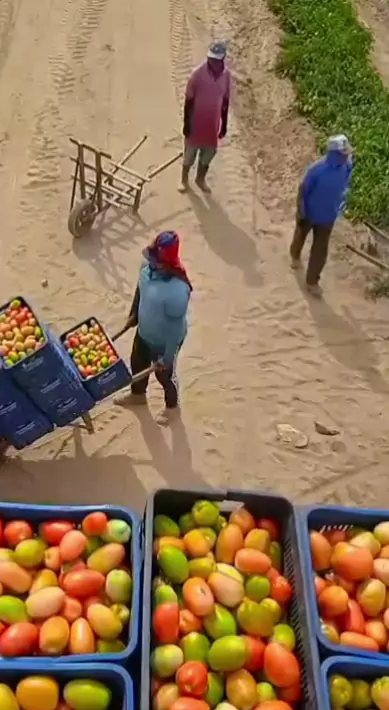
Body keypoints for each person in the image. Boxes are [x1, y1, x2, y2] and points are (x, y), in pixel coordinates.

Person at [114, 231, 192, 423]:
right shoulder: (146, 268)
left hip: (164, 341)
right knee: (137, 363)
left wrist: (168, 356)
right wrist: (133, 315)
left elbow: (175, 328)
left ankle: (172, 407)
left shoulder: (177, 290)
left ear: (167, 264)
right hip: (144, 332)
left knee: (165, 376)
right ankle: (138, 395)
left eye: (156, 260)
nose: (151, 262)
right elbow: (140, 290)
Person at [290, 133, 353, 296]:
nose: (345, 157)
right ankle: (295, 255)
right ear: (333, 153)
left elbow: (346, 183)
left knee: (320, 250)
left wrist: (343, 199)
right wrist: (301, 211)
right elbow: (303, 190)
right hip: (309, 213)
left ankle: (312, 282)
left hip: (328, 216)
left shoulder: (347, 165)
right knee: (300, 235)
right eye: (342, 154)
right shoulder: (316, 170)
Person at [179, 40, 232, 194]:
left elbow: (225, 101)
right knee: (189, 154)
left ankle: (200, 179)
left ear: (222, 59)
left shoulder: (226, 76)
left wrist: (224, 124)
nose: (212, 62)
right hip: (196, 123)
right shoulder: (197, 74)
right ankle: (183, 180)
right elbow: (189, 101)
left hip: (212, 125)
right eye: (211, 59)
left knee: (208, 155)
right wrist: (186, 123)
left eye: (216, 60)